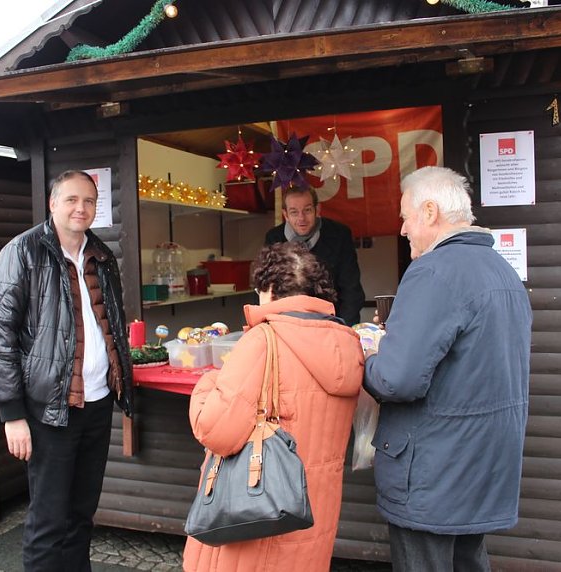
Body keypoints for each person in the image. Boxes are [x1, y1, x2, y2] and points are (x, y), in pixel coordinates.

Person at [362, 166, 532, 571]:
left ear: (431, 211)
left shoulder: (433, 271)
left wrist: (367, 357)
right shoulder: (502, 272)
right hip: (482, 464)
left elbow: (396, 379)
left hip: (434, 472)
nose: (402, 229)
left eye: (405, 216)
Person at [0, 170, 133, 572]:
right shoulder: (23, 252)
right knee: (49, 521)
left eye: (89, 201)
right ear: (53, 203)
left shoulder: (100, 254)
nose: (80, 208)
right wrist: (12, 414)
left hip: (97, 403)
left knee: (82, 515)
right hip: (49, 410)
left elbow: (112, 322)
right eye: (71, 200)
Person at [183, 241, 365, 572]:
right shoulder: (347, 344)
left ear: (267, 289)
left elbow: (215, 429)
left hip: (257, 518)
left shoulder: (263, 340)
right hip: (311, 515)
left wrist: (207, 384)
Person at [265, 185, 365, 325]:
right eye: (294, 212)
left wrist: (344, 329)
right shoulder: (274, 238)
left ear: (317, 210)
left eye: (307, 210)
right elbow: (268, 291)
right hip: (287, 322)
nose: (302, 218)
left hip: (331, 320)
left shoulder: (339, 234)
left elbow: (351, 290)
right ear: (285, 214)